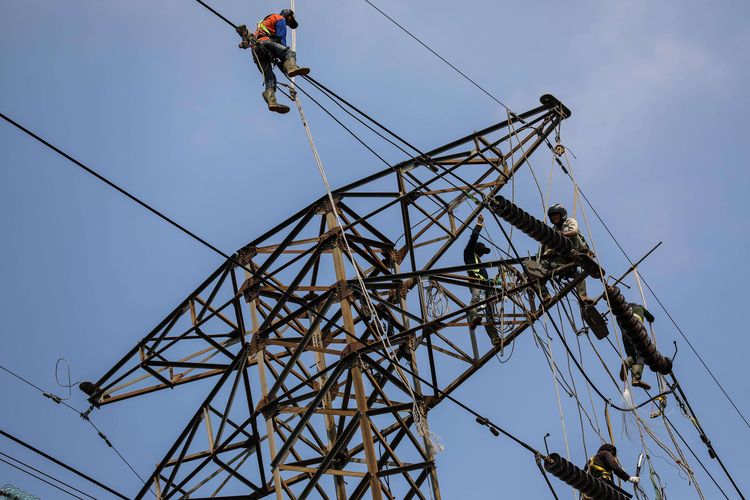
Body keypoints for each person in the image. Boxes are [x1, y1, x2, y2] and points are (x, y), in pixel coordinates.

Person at [236, 9, 310, 114]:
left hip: (256, 51)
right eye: (289, 20)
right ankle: (292, 67)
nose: (288, 23)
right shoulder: (279, 18)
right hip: (265, 43)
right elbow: (281, 40)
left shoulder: (265, 22)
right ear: (288, 15)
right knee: (289, 53)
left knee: (269, 78)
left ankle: (271, 101)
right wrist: (285, 62)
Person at [528, 204, 593, 305]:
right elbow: (542, 250)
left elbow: (574, 231)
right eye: (552, 216)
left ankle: (583, 297)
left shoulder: (569, 221)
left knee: (579, 278)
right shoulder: (552, 231)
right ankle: (546, 297)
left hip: (572, 252)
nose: (554, 217)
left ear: (562, 215)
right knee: (533, 273)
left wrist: (561, 235)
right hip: (557, 262)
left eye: (556, 215)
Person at [463, 215, 500, 345]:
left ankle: (494, 337)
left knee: (489, 311)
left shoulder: (482, 264)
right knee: (476, 298)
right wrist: (479, 224)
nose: (483, 253)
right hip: (475, 283)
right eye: (482, 250)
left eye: (484, 252)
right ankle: (473, 318)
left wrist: (499, 278)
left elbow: (487, 280)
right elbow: (473, 237)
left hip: (485, 286)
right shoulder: (468, 254)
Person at [620, 302, 655, 390]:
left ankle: (626, 363)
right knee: (642, 353)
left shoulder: (622, 312)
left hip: (625, 333)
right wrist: (648, 319)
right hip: (638, 329)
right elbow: (651, 318)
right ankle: (636, 378)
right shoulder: (640, 307)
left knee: (631, 355)